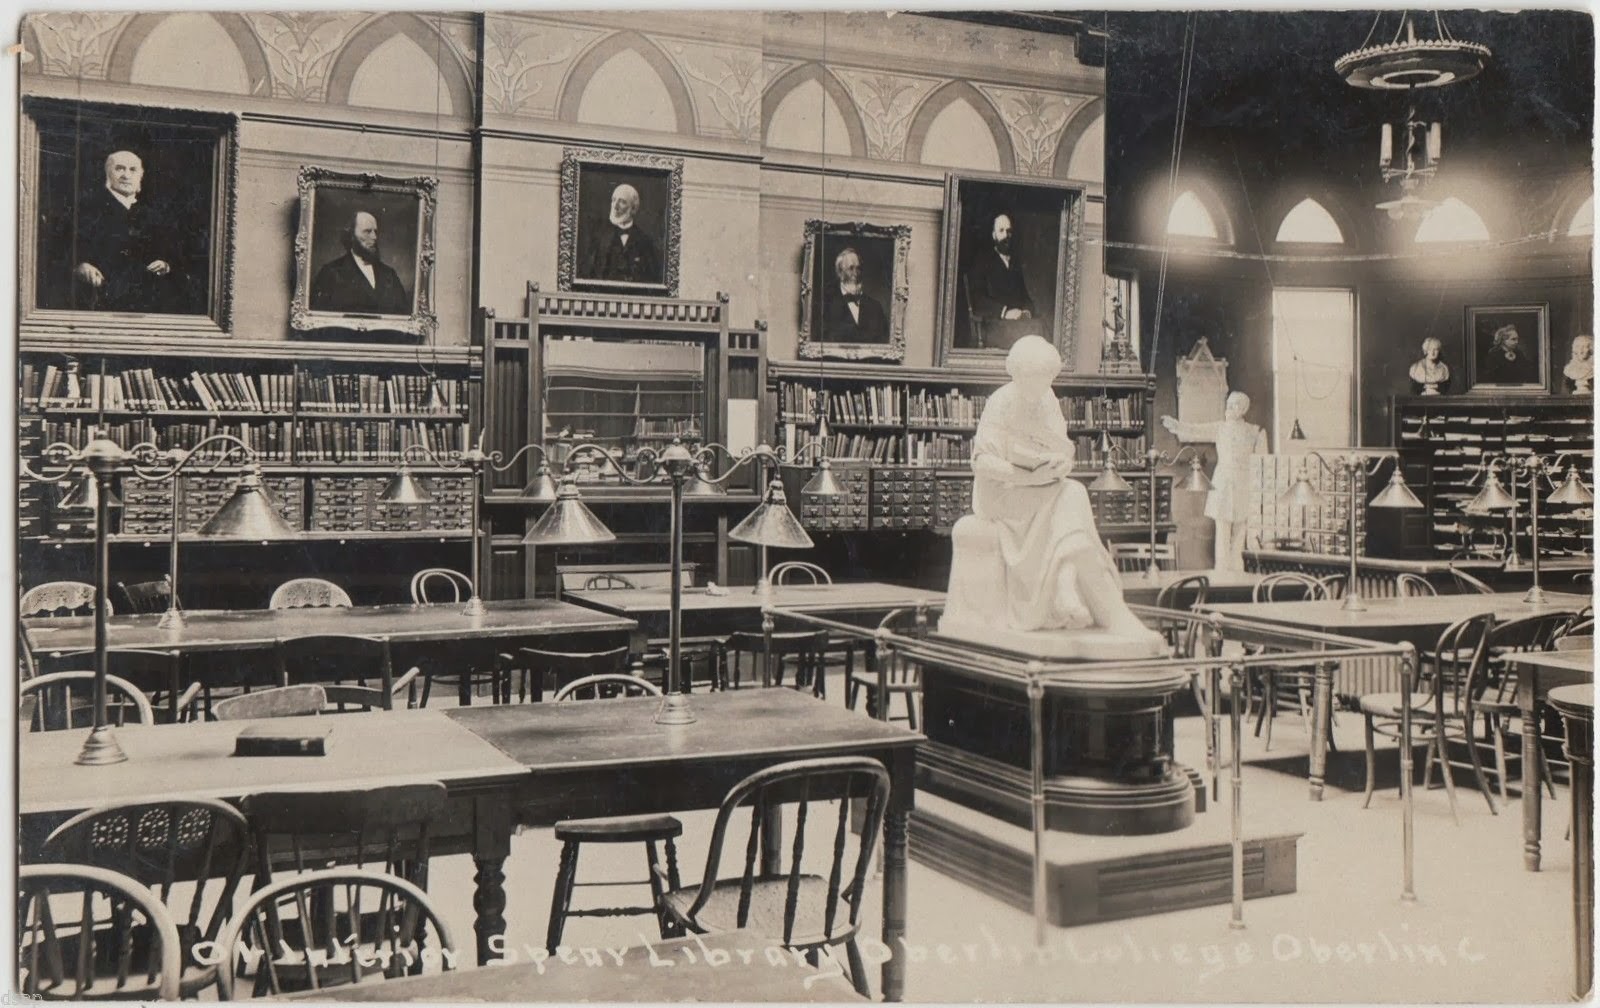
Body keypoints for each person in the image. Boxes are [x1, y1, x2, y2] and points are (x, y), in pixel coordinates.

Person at [943, 335, 1162, 645]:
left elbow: (1062, 447)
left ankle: (1067, 579)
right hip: (1001, 495)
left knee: (1072, 490)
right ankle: (1066, 583)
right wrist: (1023, 476)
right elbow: (981, 463)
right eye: (1036, 380)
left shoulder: (1048, 398)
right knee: (1070, 496)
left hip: (1040, 488)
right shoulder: (1001, 402)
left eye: (1047, 380)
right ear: (1018, 375)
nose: (1042, 388)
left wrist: (1060, 464)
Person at [1161, 392, 1268, 573]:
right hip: (1224, 482)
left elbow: (1263, 463)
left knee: (1241, 531)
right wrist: (1175, 424)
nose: (1229, 408)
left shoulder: (1255, 431)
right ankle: (1222, 574)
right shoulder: (1220, 428)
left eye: (1234, 405)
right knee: (1222, 531)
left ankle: (1237, 574)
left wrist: (1260, 491)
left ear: (1243, 409)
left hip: (1245, 484)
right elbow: (1195, 429)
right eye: (1229, 403)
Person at [71, 149, 180, 312]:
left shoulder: (153, 213)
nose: (126, 175)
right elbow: (66, 252)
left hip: (148, 300)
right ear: (108, 173)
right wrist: (80, 266)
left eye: (132, 170)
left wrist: (165, 264)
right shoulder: (87, 209)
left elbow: (171, 253)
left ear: (140, 176)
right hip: (101, 298)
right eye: (119, 168)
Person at [310, 210, 410, 315]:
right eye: (367, 231)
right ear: (351, 235)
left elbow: (403, 315)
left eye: (375, 231)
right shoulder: (331, 272)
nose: (374, 237)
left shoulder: (389, 274)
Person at [963, 213, 1036, 351]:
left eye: (1009, 231)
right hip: (993, 324)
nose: (1006, 235)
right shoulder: (982, 261)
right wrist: (1004, 312)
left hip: (1016, 324)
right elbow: (977, 299)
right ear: (994, 235)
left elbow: (1025, 296)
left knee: (1039, 327)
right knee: (1027, 339)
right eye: (1001, 231)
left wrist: (1026, 312)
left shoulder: (1015, 264)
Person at [582, 183, 661, 285]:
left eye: (622, 202)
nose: (615, 206)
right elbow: (587, 275)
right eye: (614, 200)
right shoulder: (599, 238)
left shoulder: (645, 241)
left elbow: (653, 280)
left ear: (633, 208)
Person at [819, 246, 889, 343]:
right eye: (851, 268)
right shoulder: (825, 304)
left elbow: (884, 343)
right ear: (840, 273)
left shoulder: (875, 307)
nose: (856, 273)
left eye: (858, 268)